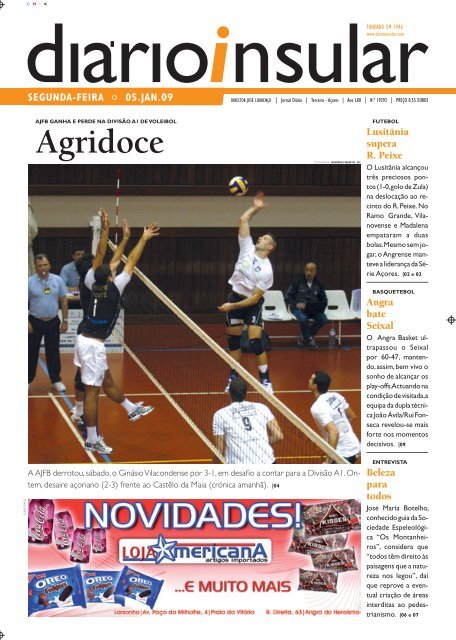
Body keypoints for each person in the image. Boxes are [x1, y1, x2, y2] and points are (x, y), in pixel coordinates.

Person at [74, 219, 160, 455]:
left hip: (83, 338)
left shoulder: (91, 283)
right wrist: (142, 238)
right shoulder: (116, 288)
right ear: (111, 277)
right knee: (92, 391)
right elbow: (130, 261)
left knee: (107, 382)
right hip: (92, 344)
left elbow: (106, 257)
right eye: (112, 270)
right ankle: (92, 439)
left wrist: (115, 235)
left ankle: (131, 409)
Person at [218, 192, 276, 394]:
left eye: (265, 238)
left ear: (269, 247)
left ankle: (265, 380)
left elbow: (255, 298)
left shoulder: (267, 270)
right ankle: (232, 378)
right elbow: (243, 220)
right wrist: (256, 208)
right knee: (234, 344)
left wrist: (232, 307)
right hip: (234, 297)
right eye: (261, 236)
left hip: (250, 305)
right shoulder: (247, 247)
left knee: (254, 341)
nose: (260, 237)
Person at [213, 377, 283, 464]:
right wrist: (256, 443)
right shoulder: (262, 408)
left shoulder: (220, 415)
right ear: (246, 392)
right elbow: (278, 435)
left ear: (229, 393)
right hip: (267, 462)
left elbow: (219, 450)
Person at [28, 254, 69, 391]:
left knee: (53, 351)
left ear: (49, 265)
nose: (43, 268)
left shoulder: (58, 280)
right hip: (34, 322)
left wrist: (65, 321)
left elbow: (63, 300)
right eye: (39, 266)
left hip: (53, 322)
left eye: (45, 265)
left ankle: (56, 380)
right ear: (36, 268)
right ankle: (27, 380)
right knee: (31, 352)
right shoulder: (29, 282)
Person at [309, 371, 360, 464]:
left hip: (343, 454)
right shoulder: (336, 396)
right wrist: (343, 431)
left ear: (315, 386)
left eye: (311, 379)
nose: (309, 380)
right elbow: (352, 416)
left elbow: (334, 432)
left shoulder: (317, 407)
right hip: (354, 446)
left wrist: (329, 460)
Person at [285, 262, 327, 349]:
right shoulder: (297, 281)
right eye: (307, 270)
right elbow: (287, 297)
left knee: (323, 318)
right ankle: (310, 340)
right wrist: (296, 303)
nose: (308, 273)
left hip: (312, 309)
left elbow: (324, 299)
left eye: (311, 270)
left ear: (315, 272)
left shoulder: (319, 283)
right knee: (304, 319)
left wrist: (319, 306)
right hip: (298, 308)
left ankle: (304, 336)